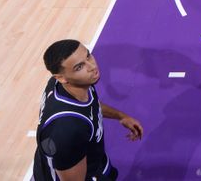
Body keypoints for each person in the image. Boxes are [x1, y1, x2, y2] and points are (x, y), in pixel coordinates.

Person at [31, 39, 143, 181]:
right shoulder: (67, 131)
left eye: (88, 55)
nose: (91, 66)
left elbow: (91, 104)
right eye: (79, 67)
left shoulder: (74, 85)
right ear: (61, 78)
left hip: (90, 160)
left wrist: (120, 116)